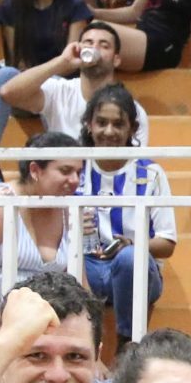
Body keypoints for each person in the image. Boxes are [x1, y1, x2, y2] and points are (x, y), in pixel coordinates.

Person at [0, 133, 84, 368]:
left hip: (36, 318)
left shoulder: (69, 210)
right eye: (65, 171)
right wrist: (6, 332)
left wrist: (88, 341)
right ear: (35, 170)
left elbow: (79, 281)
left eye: (79, 173)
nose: (75, 180)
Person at [76, 88, 175, 348]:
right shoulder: (75, 168)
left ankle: (126, 345)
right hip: (88, 268)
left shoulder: (150, 172)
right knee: (64, 257)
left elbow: (167, 243)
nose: (109, 131)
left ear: (133, 128)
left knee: (129, 259)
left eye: (118, 124)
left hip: (137, 271)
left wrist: (133, 245)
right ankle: (81, 344)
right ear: (89, 125)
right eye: (101, 123)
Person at [0, 18, 152, 144]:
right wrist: (61, 62)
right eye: (88, 43)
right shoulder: (60, 90)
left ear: (116, 59)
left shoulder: (133, 110)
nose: (94, 49)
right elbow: (8, 93)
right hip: (64, 179)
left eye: (104, 45)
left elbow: (136, 164)